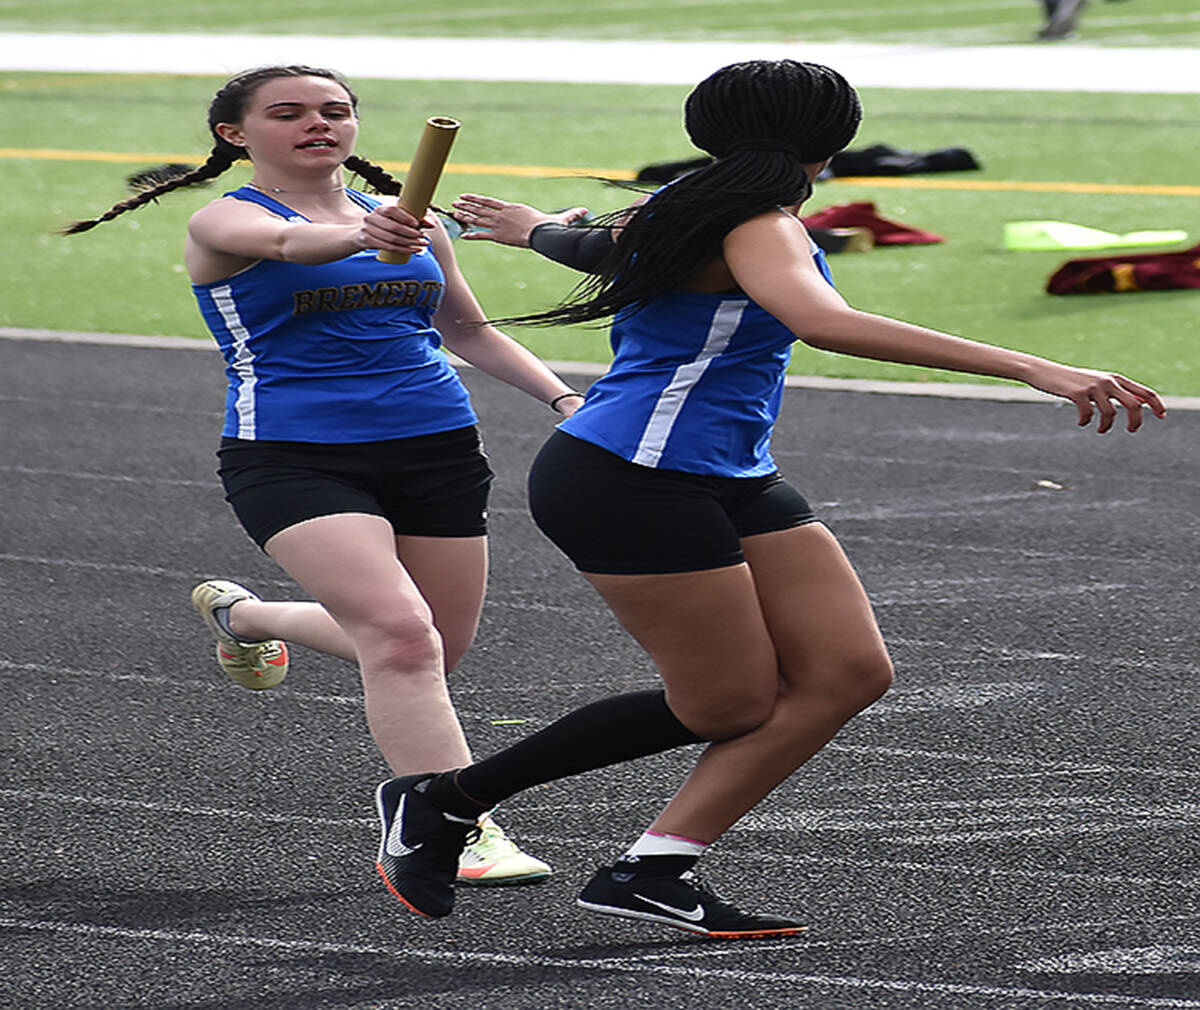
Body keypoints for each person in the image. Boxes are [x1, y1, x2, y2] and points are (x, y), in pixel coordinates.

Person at [370, 58, 1166, 938]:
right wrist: (1035, 367)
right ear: (838, 135)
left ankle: (652, 869)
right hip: (631, 476)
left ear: (706, 130)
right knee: (723, 704)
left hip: (726, 473)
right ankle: (445, 800)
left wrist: (536, 231)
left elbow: (595, 247)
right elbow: (823, 321)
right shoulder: (756, 221)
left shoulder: (686, 202)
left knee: (849, 672)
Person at [62, 64, 590, 886]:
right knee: (403, 637)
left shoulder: (414, 226)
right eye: (289, 113)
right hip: (294, 455)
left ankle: (246, 616)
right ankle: (452, 826)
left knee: (432, 649)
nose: (319, 123)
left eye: (335, 111)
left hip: (439, 449)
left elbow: (468, 331)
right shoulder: (228, 218)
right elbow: (290, 245)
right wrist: (365, 234)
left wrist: (564, 399)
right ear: (235, 134)